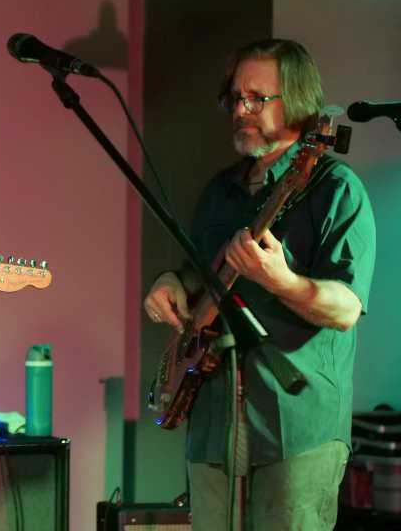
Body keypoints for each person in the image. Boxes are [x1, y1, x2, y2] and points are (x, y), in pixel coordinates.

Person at [143, 39, 376, 530]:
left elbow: (345, 308)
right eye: (235, 98)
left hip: (294, 424)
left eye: (257, 98)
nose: (241, 110)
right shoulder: (220, 190)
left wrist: (282, 281)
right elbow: (196, 273)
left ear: (298, 102)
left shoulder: (336, 189)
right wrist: (169, 282)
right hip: (213, 421)